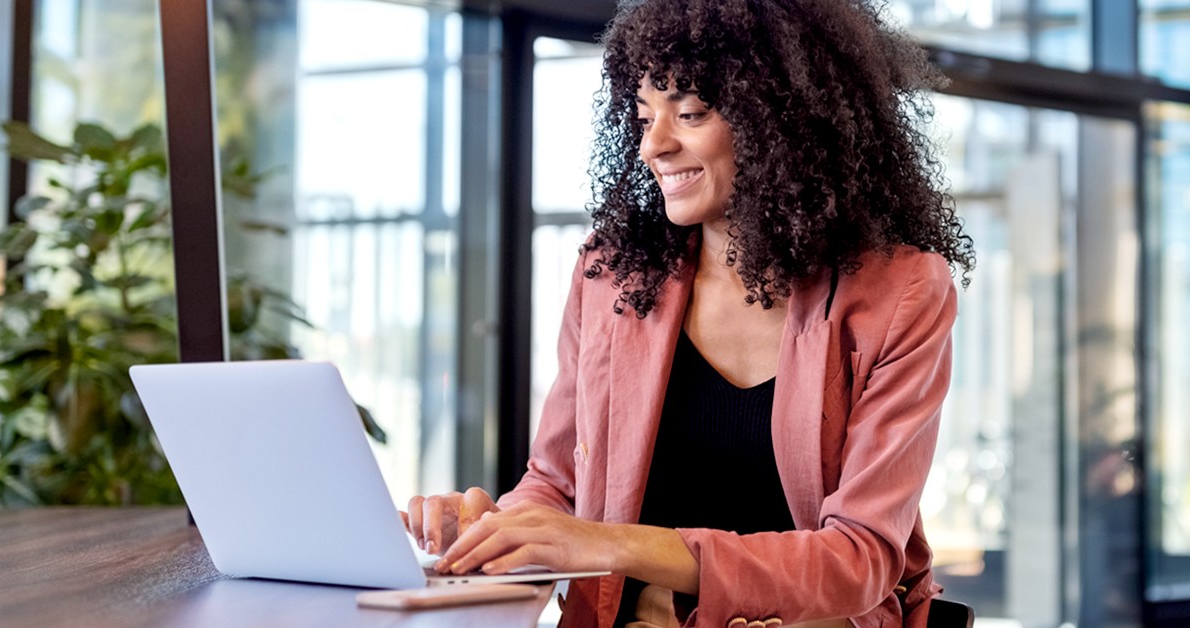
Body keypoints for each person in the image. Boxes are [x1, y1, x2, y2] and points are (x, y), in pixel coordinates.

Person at [401, 0, 975, 625]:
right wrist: (493, 528)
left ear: (782, 120)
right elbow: (559, 483)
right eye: (645, 116)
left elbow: (859, 558)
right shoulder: (613, 275)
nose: (655, 144)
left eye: (691, 113)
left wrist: (613, 542)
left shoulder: (901, 292)